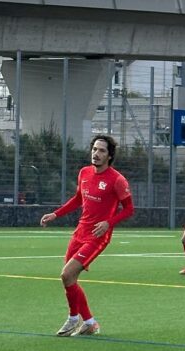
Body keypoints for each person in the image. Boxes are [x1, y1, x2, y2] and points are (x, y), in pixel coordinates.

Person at [40, 135, 134, 336]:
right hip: (80, 232)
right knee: (68, 279)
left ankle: (74, 318)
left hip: (97, 236)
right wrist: (55, 214)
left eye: (101, 151)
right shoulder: (84, 172)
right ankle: (90, 323)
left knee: (67, 274)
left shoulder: (117, 179)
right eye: (94, 149)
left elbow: (129, 209)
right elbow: (77, 199)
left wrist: (109, 223)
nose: (96, 154)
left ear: (109, 156)